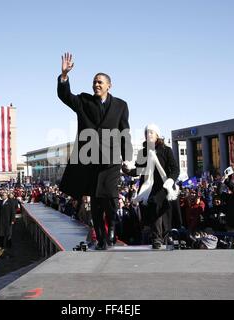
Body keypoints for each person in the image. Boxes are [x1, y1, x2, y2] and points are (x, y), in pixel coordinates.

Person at [57, 52, 133, 250]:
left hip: (112, 161)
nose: (96, 85)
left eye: (100, 82)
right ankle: (101, 238)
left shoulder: (121, 105)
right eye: (94, 82)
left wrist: (127, 158)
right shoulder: (84, 101)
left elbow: (125, 131)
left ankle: (112, 229)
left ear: (109, 85)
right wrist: (64, 76)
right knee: (96, 203)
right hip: (90, 160)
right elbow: (65, 96)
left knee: (110, 199)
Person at [122, 124, 179, 249]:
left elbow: (175, 169)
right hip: (148, 187)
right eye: (147, 132)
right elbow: (138, 170)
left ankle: (158, 238)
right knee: (152, 208)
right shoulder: (143, 152)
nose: (149, 135)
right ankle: (158, 238)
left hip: (163, 185)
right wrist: (127, 170)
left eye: (151, 132)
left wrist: (170, 181)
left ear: (157, 135)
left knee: (156, 206)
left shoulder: (166, 150)